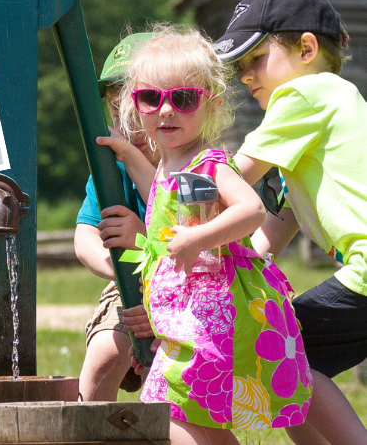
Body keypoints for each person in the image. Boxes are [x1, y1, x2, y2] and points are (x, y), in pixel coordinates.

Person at [98, 24, 312, 445]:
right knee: (190, 418)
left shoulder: (211, 162)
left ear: (209, 105)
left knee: (170, 412)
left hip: (214, 321)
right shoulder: (166, 163)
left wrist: (200, 238)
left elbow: (250, 210)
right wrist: (127, 154)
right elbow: (158, 195)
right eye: (150, 98)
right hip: (188, 318)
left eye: (182, 99)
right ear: (133, 104)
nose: (165, 111)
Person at [212, 0, 367, 443]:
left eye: (256, 60)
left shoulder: (305, 95)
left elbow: (232, 176)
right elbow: (269, 236)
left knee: (284, 354)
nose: (245, 76)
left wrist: (173, 190)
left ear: (306, 49)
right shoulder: (324, 116)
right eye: (239, 68)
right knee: (281, 364)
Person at [75, 32, 158, 401]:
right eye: (117, 112)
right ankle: (87, 430)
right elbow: (85, 236)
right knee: (104, 359)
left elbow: (182, 227)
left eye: (142, 107)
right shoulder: (111, 172)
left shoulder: (193, 167)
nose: (130, 124)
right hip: (131, 287)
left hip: (195, 288)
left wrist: (143, 240)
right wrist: (115, 269)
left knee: (173, 389)